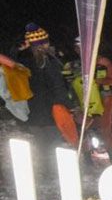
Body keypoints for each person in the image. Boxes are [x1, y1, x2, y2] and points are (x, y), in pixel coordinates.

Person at [14, 23, 76, 164]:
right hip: (51, 112)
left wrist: (17, 50)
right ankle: (54, 172)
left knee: (41, 145)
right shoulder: (50, 62)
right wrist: (71, 106)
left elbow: (7, 62)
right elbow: (58, 87)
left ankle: (45, 171)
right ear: (45, 43)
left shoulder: (23, 63)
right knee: (54, 145)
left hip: (32, 112)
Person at [73, 36, 112, 163]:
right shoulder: (74, 65)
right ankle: (87, 159)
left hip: (104, 97)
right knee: (84, 128)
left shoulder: (103, 61)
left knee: (105, 129)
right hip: (84, 99)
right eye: (78, 48)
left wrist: (99, 81)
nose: (81, 50)